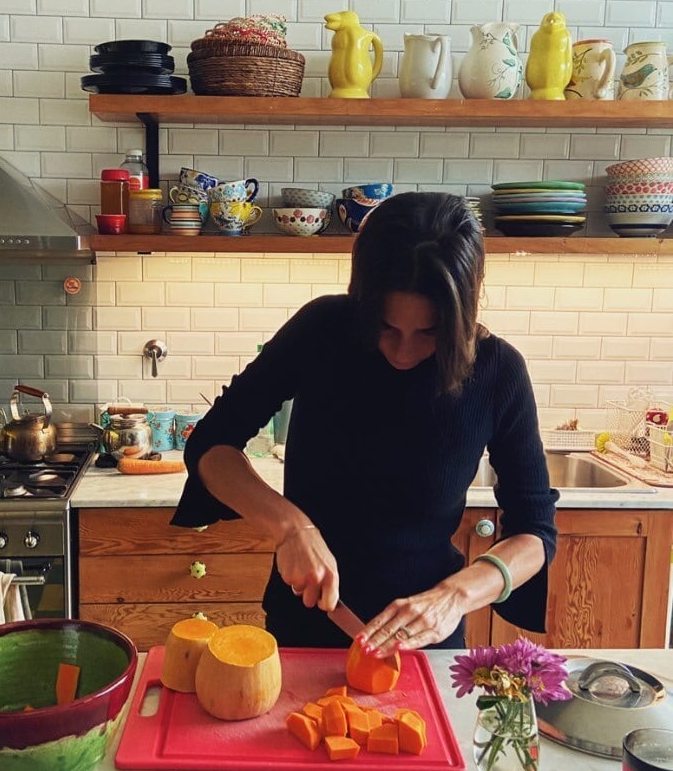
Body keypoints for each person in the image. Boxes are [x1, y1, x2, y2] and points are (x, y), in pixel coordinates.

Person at [173, 191, 558, 655]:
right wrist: (291, 527)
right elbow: (213, 445)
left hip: (424, 641)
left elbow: (535, 532)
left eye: (430, 333)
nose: (402, 353)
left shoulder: (498, 371)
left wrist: (454, 596)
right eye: (387, 327)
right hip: (302, 629)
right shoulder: (321, 331)